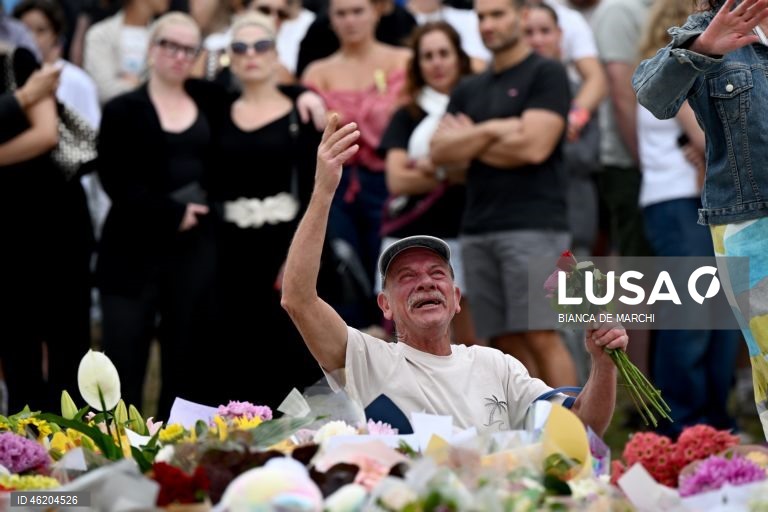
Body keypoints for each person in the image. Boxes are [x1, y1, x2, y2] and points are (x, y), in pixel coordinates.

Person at [281, 114, 628, 435]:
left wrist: (603, 364)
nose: (426, 282)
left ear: (456, 299)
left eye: (437, 273)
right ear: (385, 305)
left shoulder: (496, 366)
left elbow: (583, 427)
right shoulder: (367, 359)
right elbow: (298, 298)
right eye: (406, 276)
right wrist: (324, 192)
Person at [633, 0, 768, 438]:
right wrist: (705, 47)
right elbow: (651, 93)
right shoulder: (706, 29)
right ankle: (690, 423)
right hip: (748, 223)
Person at [429, 0, 578, 387]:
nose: (488, 24)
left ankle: (580, 434)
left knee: (541, 332)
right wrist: (498, 130)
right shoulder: (469, 88)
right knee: (501, 343)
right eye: (481, 17)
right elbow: (441, 153)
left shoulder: (547, 73)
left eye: (497, 14)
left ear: (522, 15)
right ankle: (531, 432)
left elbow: (534, 147)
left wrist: (470, 139)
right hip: (478, 226)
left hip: (535, 224)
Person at [97, 12, 217, 415]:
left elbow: (262, 97)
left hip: (192, 254)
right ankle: (119, 457)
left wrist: (302, 93)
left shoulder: (209, 98)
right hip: (131, 252)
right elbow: (115, 179)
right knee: (123, 366)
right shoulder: (122, 109)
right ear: (151, 49)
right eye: (171, 45)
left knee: (187, 366)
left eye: (190, 48)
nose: (180, 56)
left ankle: (176, 459)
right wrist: (171, 214)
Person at [206, 12, 323, 407]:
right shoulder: (217, 109)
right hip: (230, 249)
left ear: (276, 53)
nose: (250, 54)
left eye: (261, 46)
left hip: (285, 243)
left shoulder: (301, 112)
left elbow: (314, 187)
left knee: (288, 346)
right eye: (239, 47)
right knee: (234, 350)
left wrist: (299, 90)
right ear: (230, 57)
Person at [301, 0, 410, 328]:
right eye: (341, 13)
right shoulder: (317, 72)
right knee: (344, 266)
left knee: (393, 266)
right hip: (339, 182)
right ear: (330, 20)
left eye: (357, 10)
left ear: (377, 11)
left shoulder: (404, 60)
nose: (350, 20)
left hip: (390, 179)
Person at [1, 42, 93, 414]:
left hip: (54, 218)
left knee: (66, 346)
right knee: (15, 343)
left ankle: (75, 449)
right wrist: (22, 97)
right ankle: (22, 452)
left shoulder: (17, 59)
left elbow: (46, 135)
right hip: (7, 226)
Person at [377, 21, 480, 345]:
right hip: (411, 236)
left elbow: (476, 169)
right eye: (427, 56)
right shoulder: (406, 113)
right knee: (409, 340)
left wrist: (430, 165)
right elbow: (397, 179)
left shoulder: (479, 104)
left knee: (468, 340)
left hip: (464, 235)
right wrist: (445, 170)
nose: (436, 62)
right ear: (418, 65)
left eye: (443, 54)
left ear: (459, 58)